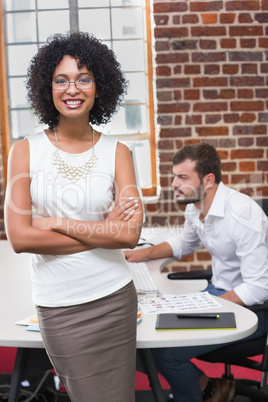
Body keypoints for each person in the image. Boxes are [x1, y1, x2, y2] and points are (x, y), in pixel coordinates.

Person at [4, 31, 144, 402]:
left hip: (114, 296)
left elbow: (129, 235)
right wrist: (103, 229)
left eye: (84, 78)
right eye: (61, 80)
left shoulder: (119, 152)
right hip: (59, 305)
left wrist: (55, 223)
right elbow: (21, 238)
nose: (73, 89)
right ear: (47, 88)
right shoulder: (25, 151)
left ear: (100, 86)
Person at [125, 143, 268, 402]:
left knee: (165, 353)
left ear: (208, 180)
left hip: (253, 309)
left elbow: (259, 288)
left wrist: (206, 305)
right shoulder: (196, 208)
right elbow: (185, 243)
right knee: (145, 334)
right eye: (174, 176)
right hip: (218, 295)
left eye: (182, 177)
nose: (174, 184)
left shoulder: (243, 214)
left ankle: (200, 393)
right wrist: (140, 254)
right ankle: (208, 389)